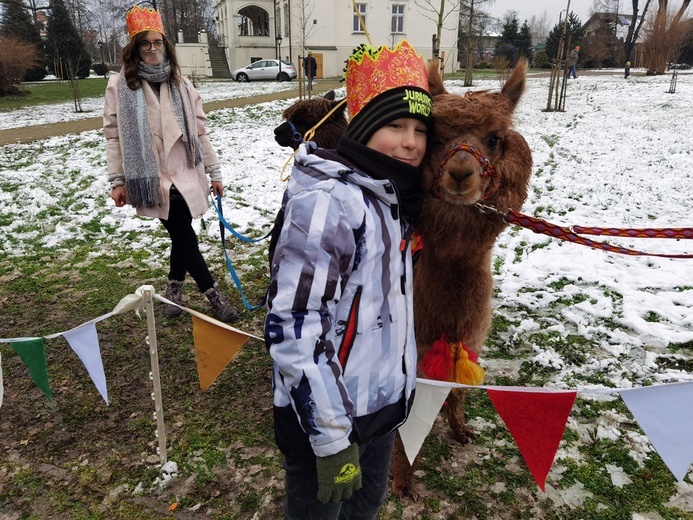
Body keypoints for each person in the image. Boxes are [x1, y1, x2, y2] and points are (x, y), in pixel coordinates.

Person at [264, 40, 433, 519]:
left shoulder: (394, 203)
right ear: (361, 129)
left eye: (421, 130)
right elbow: (295, 327)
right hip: (327, 424)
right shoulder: (328, 205)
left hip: (378, 413)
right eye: (395, 125)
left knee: (364, 511)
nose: (410, 142)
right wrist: (331, 437)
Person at [103, 4, 237, 322]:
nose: (152, 49)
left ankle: (174, 292)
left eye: (157, 42)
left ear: (166, 45)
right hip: (151, 179)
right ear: (135, 48)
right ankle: (213, 296)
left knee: (182, 234)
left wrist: (214, 172)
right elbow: (114, 138)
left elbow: (201, 133)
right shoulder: (119, 87)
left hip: (187, 174)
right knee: (184, 237)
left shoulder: (182, 84)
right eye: (145, 43)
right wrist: (118, 180)